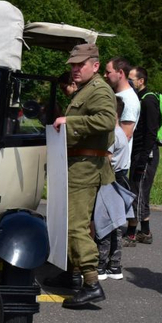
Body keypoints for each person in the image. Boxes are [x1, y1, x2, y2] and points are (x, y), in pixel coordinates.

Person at [50, 43, 116, 308]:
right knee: (67, 219)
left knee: (75, 224)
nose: (75, 69)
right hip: (77, 162)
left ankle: (91, 282)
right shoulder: (86, 89)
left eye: (81, 64)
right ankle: (72, 273)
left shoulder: (99, 90)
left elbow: (107, 121)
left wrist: (70, 122)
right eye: (73, 65)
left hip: (86, 165)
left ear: (95, 65)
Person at [96, 97, 131, 281]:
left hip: (111, 181)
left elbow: (106, 159)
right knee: (116, 224)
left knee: (104, 224)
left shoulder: (112, 135)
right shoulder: (121, 133)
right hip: (121, 180)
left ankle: (100, 266)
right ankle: (114, 265)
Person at [125, 67, 160, 246]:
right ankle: (145, 232)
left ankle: (132, 234)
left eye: (131, 79)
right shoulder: (138, 98)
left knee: (137, 193)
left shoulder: (148, 100)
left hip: (145, 154)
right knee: (138, 191)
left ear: (141, 81)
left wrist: (143, 158)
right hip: (138, 153)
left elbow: (151, 132)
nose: (129, 82)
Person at [104, 57, 140, 165]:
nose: (104, 75)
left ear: (120, 73)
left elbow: (125, 135)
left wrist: (108, 157)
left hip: (115, 164)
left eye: (108, 72)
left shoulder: (129, 100)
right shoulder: (116, 95)